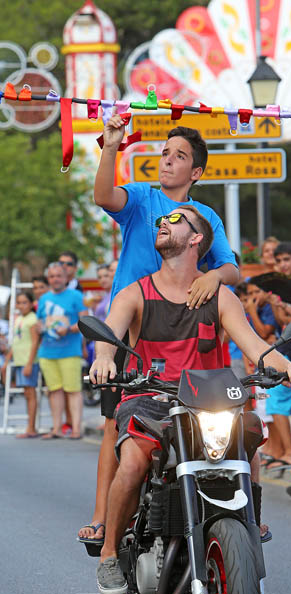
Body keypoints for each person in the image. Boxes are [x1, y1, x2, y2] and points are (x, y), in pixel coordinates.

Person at [89, 206, 291, 594]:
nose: (163, 223)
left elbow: (256, 347)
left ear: (195, 239)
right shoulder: (135, 292)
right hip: (150, 395)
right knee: (136, 458)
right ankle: (109, 551)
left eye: (175, 220)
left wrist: (289, 365)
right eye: (162, 220)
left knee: (248, 441)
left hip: (207, 399)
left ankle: (248, 523)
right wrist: (105, 358)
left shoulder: (221, 297)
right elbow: (109, 335)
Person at [78, 119, 239, 543]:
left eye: (179, 156)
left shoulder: (204, 217)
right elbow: (102, 195)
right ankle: (102, 519)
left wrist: (215, 276)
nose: (167, 160)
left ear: (197, 173)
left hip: (184, 329)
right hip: (132, 328)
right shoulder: (141, 197)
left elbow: (231, 266)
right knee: (118, 422)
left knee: (226, 419)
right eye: (165, 153)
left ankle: (242, 516)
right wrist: (110, 147)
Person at [37, 262, 87, 439]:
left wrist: (69, 329)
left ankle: (76, 429)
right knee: (54, 390)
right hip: (47, 352)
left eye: (58, 276)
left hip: (70, 351)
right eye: (52, 276)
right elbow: (39, 322)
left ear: (66, 278)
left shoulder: (75, 296)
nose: (55, 279)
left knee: (73, 390)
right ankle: (56, 428)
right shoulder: (43, 299)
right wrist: (40, 327)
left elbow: (84, 322)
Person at [1, 292, 40, 438]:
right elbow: (15, 342)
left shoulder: (32, 319)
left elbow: (35, 342)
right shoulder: (18, 319)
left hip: (28, 361)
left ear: (31, 304)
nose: (21, 305)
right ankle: (30, 426)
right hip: (18, 361)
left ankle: (31, 428)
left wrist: (29, 363)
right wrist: (7, 361)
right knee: (26, 393)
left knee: (30, 394)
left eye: (24, 302)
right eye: (19, 302)